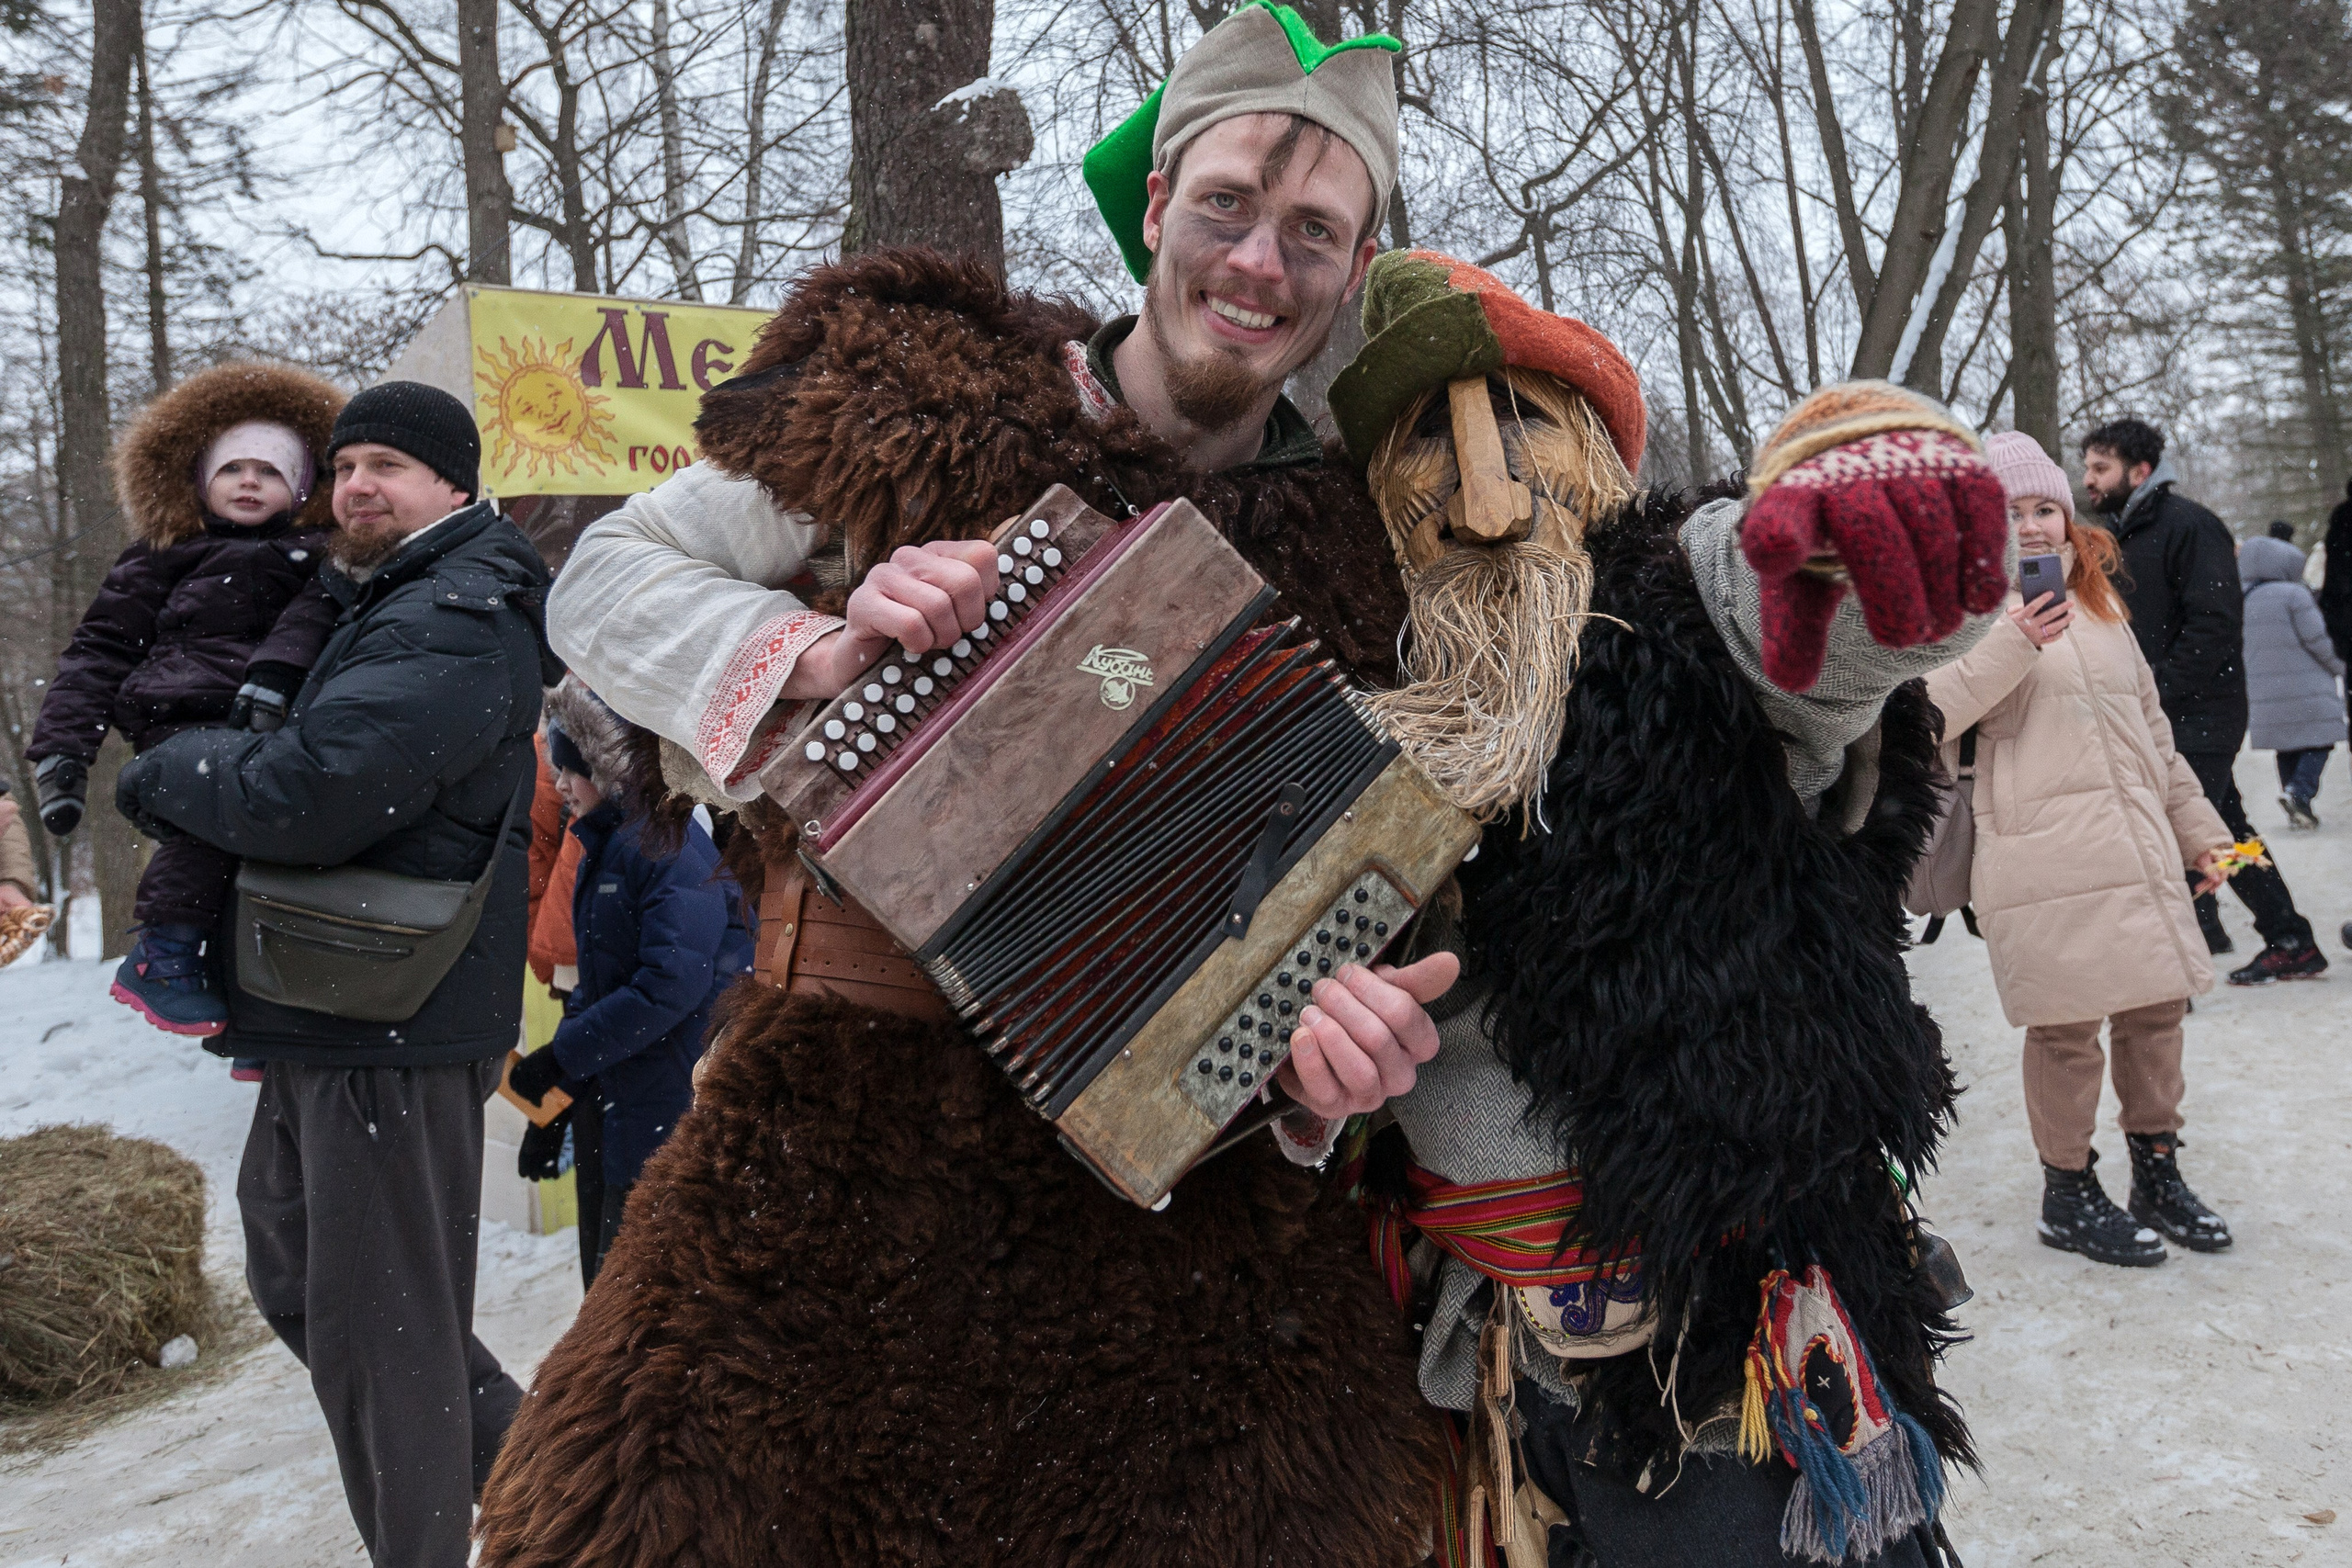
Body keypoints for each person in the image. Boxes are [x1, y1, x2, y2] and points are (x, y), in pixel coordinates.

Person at [477, 9, 1452, 1564]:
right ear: (1155, 209)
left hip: (1174, 1254)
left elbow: (1342, 915)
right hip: (826, 1179)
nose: (1262, 262)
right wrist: (810, 643)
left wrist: (1315, 1087)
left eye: (1314, 233)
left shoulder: (1364, 553)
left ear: (1356, 264)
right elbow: (601, 582)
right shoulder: (923, 402)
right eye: (1228, 206)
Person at [1280, 254, 2001, 1566]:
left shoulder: (1672, 626)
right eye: (1428, 444)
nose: (1486, 490)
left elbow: (1786, 627)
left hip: (1727, 1365)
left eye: (1522, 424)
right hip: (1475, 1366)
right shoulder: (1344, 704)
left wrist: (1841, 562)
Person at [115, 381, 559, 1568]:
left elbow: (315, 790)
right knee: (302, 1273)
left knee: (384, 1337)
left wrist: (165, 767)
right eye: (347, 463)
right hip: (336, 1007)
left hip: (390, 1015)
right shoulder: (388, 594)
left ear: (453, 486)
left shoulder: (459, 606)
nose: (359, 484)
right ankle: (544, 1478)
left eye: (390, 466)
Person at [1926, 434, 2235, 1269]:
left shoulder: (2103, 608)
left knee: (2156, 1012)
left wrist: (2207, 837)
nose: (2029, 527)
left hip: (2134, 849)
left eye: (2042, 508)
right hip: (2039, 857)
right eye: (2008, 512)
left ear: (2066, 514)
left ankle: (2157, 1170)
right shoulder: (1955, 613)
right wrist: (2016, 638)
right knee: (2066, 1032)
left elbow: (2157, 740)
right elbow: (1924, 715)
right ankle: (2067, 1190)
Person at [24, 362, 345, 1043]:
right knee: (210, 829)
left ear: (304, 487)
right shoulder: (161, 556)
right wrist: (62, 750)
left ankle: (256, 1017)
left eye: (270, 470)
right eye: (233, 469)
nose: (250, 481)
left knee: (277, 868)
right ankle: (163, 949)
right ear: (201, 482)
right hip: (185, 718)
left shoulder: (321, 559)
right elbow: (98, 649)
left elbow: (328, 626)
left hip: (286, 723)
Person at [507, 678, 752, 1286]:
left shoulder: (665, 848)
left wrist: (563, 1054)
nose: (559, 784)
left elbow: (669, 985)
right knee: (611, 1285)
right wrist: (557, 1103)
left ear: (608, 766)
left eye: (569, 767)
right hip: (624, 1109)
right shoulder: (610, 846)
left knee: (644, 1296)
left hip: (668, 1110)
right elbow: (601, 982)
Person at [2080, 418, 2326, 981]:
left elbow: (2214, 624)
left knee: (2172, 834)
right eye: (2088, 467)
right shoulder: (2121, 534)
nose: (2089, 479)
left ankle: (2169, 963)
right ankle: (2287, 935)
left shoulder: (2190, 526)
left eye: (2101, 467)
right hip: (2161, 713)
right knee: (2227, 829)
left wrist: (2154, 691)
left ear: (2139, 471)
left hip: (2200, 713)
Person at [2239, 527, 2346, 828]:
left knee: (2285, 745)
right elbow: (2318, 639)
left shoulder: (2242, 598)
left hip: (2264, 691)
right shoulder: (2294, 594)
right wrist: (2341, 666)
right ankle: (2299, 793)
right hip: (2306, 685)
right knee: (2321, 741)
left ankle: (2295, 798)